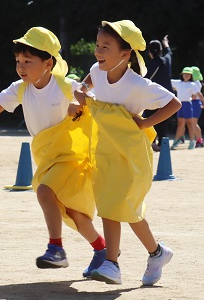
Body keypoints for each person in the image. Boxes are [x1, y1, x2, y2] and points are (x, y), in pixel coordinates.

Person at [0, 26, 107, 277]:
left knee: (45, 192)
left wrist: (78, 101)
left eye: (28, 61)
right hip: (47, 157)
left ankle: (56, 249)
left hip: (70, 156)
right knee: (71, 211)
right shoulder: (20, 88)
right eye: (18, 61)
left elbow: (90, 97)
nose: (21, 66)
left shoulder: (64, 84)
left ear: (48, 62)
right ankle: (101, 249)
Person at [74, 20, 181, 285]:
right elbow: (87, 80)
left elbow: (174, 103)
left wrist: (145, 123)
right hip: (106, 149)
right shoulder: (98, 71)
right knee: (120, 207)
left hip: (132, 153)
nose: (98, 51)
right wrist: (82, 89)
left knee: (120, 206)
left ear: (125, 54)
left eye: (106, 47)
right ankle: (156, 253)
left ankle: (112, 264)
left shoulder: (139, 85)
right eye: (98, 45)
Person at [143, 35, 173, 151]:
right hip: (167, 98)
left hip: (152, 97)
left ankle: (152, 143)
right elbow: (169, 52)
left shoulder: (148, 65)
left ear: (149, 51)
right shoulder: (167, 61)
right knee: (164, 121)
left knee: (151, 120)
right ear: (160, 50)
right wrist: (166, 44)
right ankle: (163, 143)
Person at [170, 67, 204, 150]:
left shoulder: (192, 84)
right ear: (182, 75)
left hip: (187, 104)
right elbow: (167, 81)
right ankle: (176, 140)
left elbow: (198, 94)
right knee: (180, 123)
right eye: (185, 74)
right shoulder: (178, 83)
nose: (186, 76)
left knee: (190, 123)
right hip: (180, 104)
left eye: (188, 74)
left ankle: (192, 141)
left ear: (191, 76)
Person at [191, 66, 204, 147]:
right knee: (191, 123)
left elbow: (194, 96)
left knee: (194, 123)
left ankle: (199, 140)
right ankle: (194, 139)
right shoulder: (197, 83)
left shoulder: (196, 83)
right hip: (194, 103)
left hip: (195, 103)